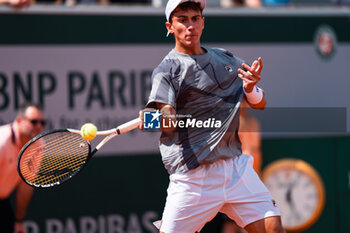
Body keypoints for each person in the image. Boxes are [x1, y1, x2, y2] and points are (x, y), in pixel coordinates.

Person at [139, 0, 285, 232]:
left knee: (272, 228)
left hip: (236, 169)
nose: (190, 26)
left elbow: (260, 103)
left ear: (203, 22)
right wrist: (165, 113)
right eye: (182, 19)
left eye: (195, 18)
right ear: (169, 26)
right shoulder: (166, 71)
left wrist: (249, 89)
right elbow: (167, 122)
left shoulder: (226, 60)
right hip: (193, 179)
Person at [0, 103, 46, 233]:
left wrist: (19, 221)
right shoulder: (2, 141)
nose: (39, 126)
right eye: (34, 122)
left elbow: (26, 185)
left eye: (42, 122)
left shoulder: (38, 146)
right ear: (19, 120)